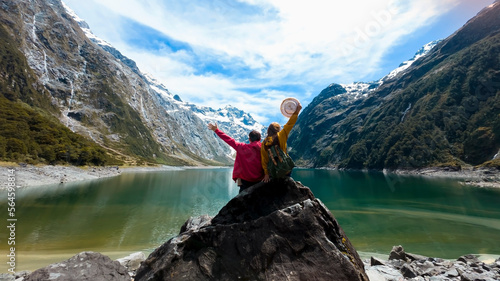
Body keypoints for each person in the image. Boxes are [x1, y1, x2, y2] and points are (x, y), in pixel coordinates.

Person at [208, 123, 264, 192]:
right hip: (260, 181)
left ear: (249, 139)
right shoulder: (264, 148)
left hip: (245, 182)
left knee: (243, 201)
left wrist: (216, 130)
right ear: (260, 139)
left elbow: (229, 140)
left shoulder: (241, 147)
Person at [261, 101, 302, 182]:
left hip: (273, 171)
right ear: (278, 129)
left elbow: (264, 159)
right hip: (285, 168)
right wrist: (296, 111)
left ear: (268, 130)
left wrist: (266, 173)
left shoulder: (264, 142)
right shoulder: (282, 135)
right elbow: (290, 123)